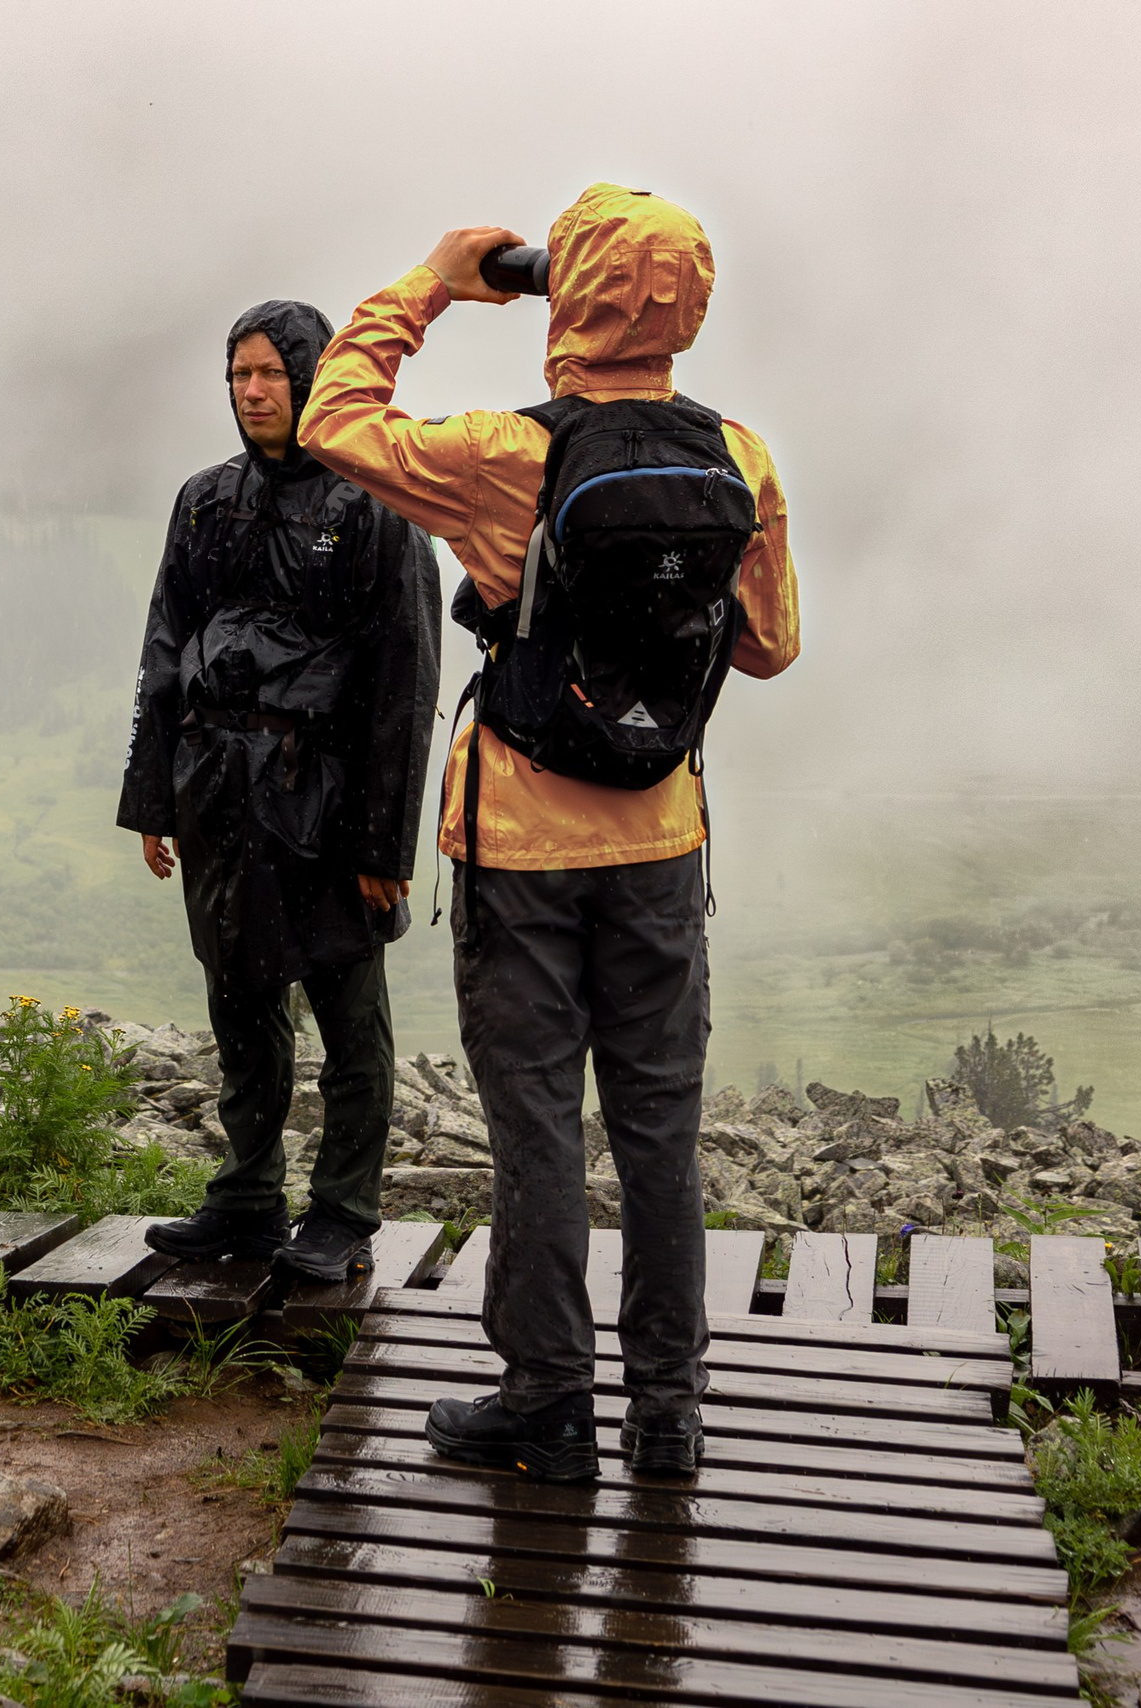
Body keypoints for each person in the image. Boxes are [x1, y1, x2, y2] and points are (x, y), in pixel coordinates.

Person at [297, 186, 801, 1479]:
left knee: (535, 1131)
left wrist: (436, 279)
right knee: (660, 1135)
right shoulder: (738, 457)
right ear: (690, 303)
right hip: (662, 846)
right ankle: (670, 1415)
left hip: (521, 850)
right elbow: (769, 648)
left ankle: (547, 1404)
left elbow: (333, 420)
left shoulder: (508, 452)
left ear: (561, 293)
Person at [116, 300, 441, 1285]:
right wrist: (152, 797)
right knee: (239, 1001)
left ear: (311, 375)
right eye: (237, 376)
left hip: (326, 796)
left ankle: (341, 1210)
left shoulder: (371, 502)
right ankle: (247, 1195)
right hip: (216, 787)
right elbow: (164, 648)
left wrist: (383, 848)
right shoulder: (205, 501)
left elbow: (403, 683)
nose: (252, 391)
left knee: (348, 1014)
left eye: (269, 373)